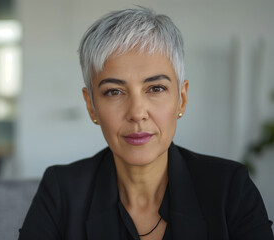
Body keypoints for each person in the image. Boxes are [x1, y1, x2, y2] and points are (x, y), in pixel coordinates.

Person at [18, 7, 274, 240]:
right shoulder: (61, 191)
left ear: (181, 100)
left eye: (156, 88)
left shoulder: (230, 189)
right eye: (114, 92)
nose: (137, 113)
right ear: (91, 105)